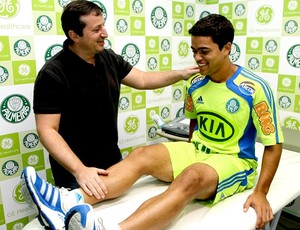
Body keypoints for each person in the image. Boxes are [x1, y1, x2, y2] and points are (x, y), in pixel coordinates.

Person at [22, 13, 284, 230]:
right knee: (142, 154)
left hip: (234, 160)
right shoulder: (196, 85)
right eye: (194, 51)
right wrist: (189, 152)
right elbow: (194, 125)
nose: (197, 58)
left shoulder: (254, 88)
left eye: (204, 51)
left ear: (227, 48)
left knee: (190, 177)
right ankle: (67, 201)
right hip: (197, 150)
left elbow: (273, 144)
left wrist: (261, 192)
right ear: (74, 35)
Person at [33, 0, 199, 198]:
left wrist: (181, 73)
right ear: (74, 35)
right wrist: (80, 170)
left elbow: (144, 79)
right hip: (76, 174)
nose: (105, 33)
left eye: (103, 25)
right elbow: (47, 130)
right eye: (97, 29)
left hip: (113, 163)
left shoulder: (108, 58)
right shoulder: (53, 73)